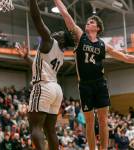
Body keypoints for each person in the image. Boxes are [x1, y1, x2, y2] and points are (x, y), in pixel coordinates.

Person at [54, 0, 134, 149]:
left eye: (91, 22)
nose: (87, 23)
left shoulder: (103, 45)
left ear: (97, 28)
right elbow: (65, 14)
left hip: (100, 83)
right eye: (88, 21)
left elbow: (126, 57)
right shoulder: (79, 36)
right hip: (84, 85)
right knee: (89, 122)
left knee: (103, 121)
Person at [16, 0, 74, 150]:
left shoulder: (49, 39)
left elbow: (37, 19)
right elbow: (39, 67)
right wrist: (25, 57)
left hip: (43, 87)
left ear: (61, 38)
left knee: (35, 127)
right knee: (50, 130)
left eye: (61, 32)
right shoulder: (60, 53)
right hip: (56, 89)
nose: (58, 32)